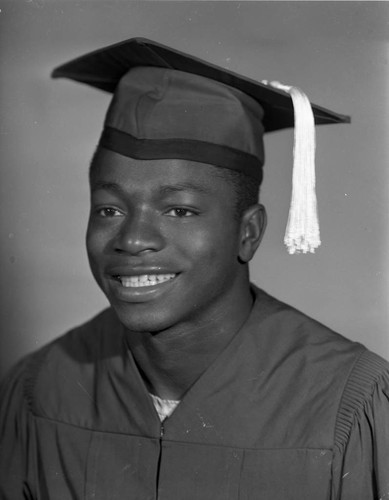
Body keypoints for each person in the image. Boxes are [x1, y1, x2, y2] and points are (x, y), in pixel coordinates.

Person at [0, 38, 388, 500]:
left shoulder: (350, 402)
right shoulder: (41, 388)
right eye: (108, 210)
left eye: (179, 210)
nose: (133, 239)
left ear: (248, 233)